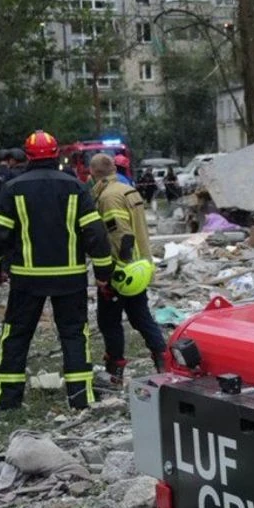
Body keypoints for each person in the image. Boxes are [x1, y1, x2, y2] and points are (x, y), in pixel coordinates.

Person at [0, 130, 113, 413]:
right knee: (74, 335)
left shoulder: (13, 188)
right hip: (70, 276)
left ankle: (6, 401)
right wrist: (104, 272)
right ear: (56, 154)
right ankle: (81, 398)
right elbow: (95, 233)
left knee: (16, 335)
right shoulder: (76, 187)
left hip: (27, 277)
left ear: (27, 156)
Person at [89, 154, 167, 383]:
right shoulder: (127, 190)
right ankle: (163, 359)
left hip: (123, 270)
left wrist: (111, 273)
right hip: (139, 266)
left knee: (108, 320)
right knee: (140, 316)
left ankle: (115, 370)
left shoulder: (108, 197)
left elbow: (121, 235)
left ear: (93, 174)